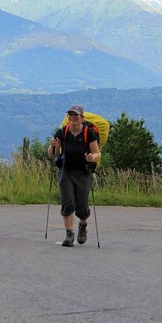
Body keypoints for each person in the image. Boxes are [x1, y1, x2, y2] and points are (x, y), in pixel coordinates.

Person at [48, 104, 100, 247]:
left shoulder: (88, 133)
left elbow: (97, 152)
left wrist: (91, 158)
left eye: (75, 115)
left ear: (81, 118)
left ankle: (82, 225)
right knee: (68, 202)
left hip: (82, 172)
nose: (72, 117)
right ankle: (69, 235)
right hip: (65, 172)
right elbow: (51, 154)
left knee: (82, 207)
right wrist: (53, 145)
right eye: (70, 115)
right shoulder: (62, 132)